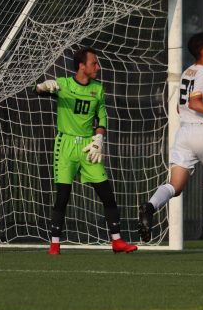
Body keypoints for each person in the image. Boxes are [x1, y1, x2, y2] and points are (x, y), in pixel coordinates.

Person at [138, 31, 203, 253]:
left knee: (175, 186)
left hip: (184, 134)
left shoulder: (189, 72)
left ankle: (149, 207)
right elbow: (195, 103)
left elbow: (181, 107)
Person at [35, 46, 138, 255]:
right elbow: (36, 91)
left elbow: (102, 117)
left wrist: (99, 138)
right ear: (82, 66)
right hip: (65, 146)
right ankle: (54, 245)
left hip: (88, 147)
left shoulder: (97, 89)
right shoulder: (63, 84)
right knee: (63, 196)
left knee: (107, 194)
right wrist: (43, 86)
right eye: (94, 63)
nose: (97, 67)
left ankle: (117, 241)